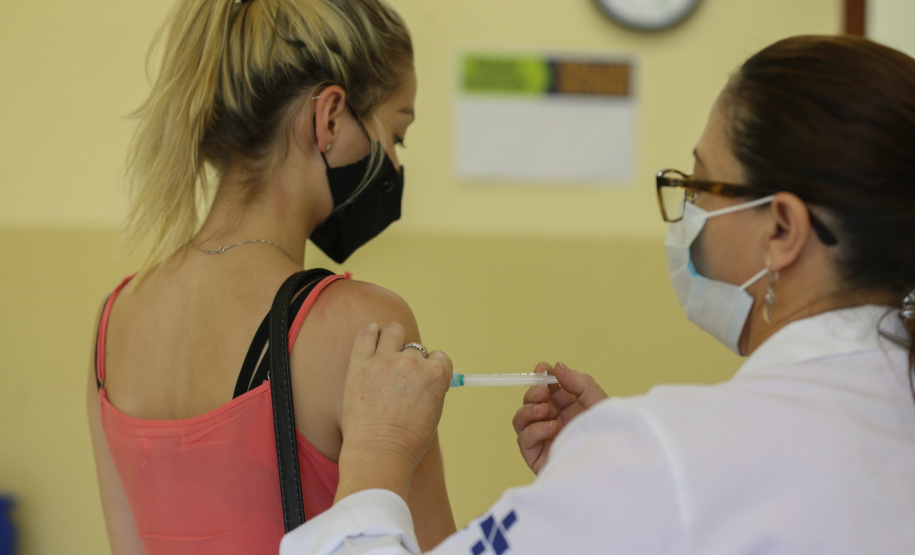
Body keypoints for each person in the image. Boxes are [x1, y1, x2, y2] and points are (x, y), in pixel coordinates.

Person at [280, 35, 915, 554]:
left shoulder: (663, 457)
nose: (686, 213)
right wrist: (600, 483)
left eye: (702, 186)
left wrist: (376, 456)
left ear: (781, 228)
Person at [86, 0, 455, 553]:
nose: (395, 167)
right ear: (329, 117)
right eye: (396, 136)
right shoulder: (363, 327)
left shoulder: (116, 320)